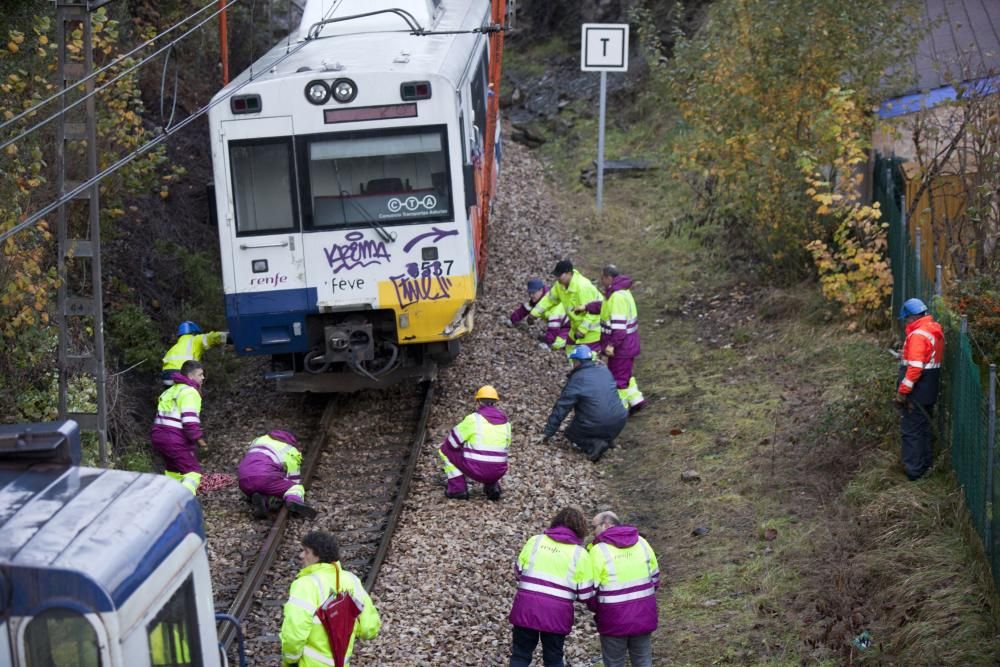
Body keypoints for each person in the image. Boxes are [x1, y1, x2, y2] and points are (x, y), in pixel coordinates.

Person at [508, 507, 595, 667]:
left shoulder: (536, 541)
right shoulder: (580, 554)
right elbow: (584, 594)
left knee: (520, 655)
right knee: (553, 658)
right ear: (580, 529)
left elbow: (518, 571)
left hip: (527, 607)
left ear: (556, 522)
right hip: (557, 614)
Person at [280, 531, 381, 667]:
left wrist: (290, 659)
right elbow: (369, 628)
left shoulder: (306, 584)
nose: (301, 555)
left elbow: (295, 630)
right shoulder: (351, 580)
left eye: (306, 551)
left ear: (318, 556)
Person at [587, 511, 660, 667]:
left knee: (614, 663)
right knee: (643, 661)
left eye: (594, 527)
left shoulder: (598, 550)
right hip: (643, 615)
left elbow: (590, 591)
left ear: (606, 525)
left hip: (613, 619)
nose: (592, 531)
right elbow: (655, 579)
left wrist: (598, 610)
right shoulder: (642, 543)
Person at [543, 345, 628, 462]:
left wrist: (548, 432)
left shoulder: (577, 379)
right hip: (620, 419)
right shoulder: (604, 370)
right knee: (599, 414)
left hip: (598, 422)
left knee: (570, 433)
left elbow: (562, 407)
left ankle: (595, 444)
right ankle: (608, 439)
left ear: (577, 362)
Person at [583, 265, 645, 414]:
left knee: (619, 381)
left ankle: (619, 412)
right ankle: (637, 401)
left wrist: (611, 345)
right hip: (627, 345)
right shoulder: (619, 292)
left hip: (621, 348)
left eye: (602, 278)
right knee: (625, 375)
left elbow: (619, 329)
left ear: (609, 278)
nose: (601, 280)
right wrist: (586, 307)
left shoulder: (617, 297)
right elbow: (604, 307)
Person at [894, 297, 944, 481]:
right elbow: (926, 357)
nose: (905, 323)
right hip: (929, 389)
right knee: (924, 429)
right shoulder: (932, 330)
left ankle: (913, 472)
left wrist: (902, 391)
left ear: (911, 318)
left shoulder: (917, 335)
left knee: (911, 431)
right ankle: (925, 466)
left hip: (917, 391)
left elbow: (915, 368)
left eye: (906, 319)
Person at [438, 385, 512, 500]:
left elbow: (452, 443)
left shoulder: (473, 419)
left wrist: (464, 447)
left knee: (445, 449)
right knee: (493, 456)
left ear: (478, 402)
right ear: (495, 402)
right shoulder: (506, 423)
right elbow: (505, 447)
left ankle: (458, 490)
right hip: (498, 471)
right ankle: (492, 487)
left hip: (477, 470)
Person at [151, 359, 207, 495]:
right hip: (174, 438)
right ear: (190, 376)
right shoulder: (190, 392)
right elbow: (189, 422)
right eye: (200, 375)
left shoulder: (170, 391)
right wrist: (202, 443)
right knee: (193, 473)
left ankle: (168, 499)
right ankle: (184, 504)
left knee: (173, 472)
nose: (203, 377)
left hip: (158, 436)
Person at [238, 430, 317, 519]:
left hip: (242, 480)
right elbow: (293, 478)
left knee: (266, 488)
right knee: (294, 488)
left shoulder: (259, 439)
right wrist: (290, 485)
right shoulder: (289, 449)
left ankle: (263, 500)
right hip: (264, 478)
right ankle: (294, 500)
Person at [532, 260, 603, 354]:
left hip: (593, 330)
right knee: (570, 351)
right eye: (556, 275)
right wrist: (534, 313)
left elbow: (593, 311)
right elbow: (550, 299)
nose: (557, 278)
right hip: (576, 326)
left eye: (560, 275)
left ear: (569, 273)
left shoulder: (583, 287)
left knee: (585, 357)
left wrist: (582, 330)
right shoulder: (560, 285)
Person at [507, 278, 570, 351]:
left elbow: (553, 327)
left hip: (568, 326)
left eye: (533, 293)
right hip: (559, 325)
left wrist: (547, 343)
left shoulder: (553, 307)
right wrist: (512, 320)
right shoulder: (537, 300)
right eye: (529, 293)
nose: (531, 295)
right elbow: (524, 310)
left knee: (556, 344)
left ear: (541, 290)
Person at [161, 320, 228, 385]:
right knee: (191, 393)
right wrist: (229, 337)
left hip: (166, 377)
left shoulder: (174, 348)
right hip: (182, 374)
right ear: (194, 333)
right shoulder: (195, 340)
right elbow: (212, 337)